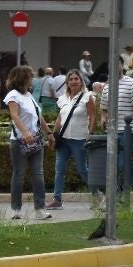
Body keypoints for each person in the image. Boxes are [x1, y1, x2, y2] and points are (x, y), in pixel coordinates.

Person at [3, 65, 55, 221]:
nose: (32, 79)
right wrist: (25, 133)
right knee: (19, 175)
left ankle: (40, 209)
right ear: (23, 78)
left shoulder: (29, 95)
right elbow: (14, 116)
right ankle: (15, 209)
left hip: (36, 141)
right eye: (30, 76)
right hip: (20, 141)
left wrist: (49, 133)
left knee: (38, 175)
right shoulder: (13, 95)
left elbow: (39, 117)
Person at [100, 70, 133, 195]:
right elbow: (103, 110)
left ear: (121, 66)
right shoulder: (107, 87)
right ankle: (117, 197)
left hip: (128, 131)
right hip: (111, 132)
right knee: (114, 165)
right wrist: (103, 119)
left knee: (123, 164)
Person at [48, 68, 96, 209]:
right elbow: (60, 118)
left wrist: (90, 133)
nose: (73, 81)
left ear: (81, 81)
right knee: (59, 169)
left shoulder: (87, 97)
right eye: (71, 79)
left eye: (76, 79)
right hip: (63, 140)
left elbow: (93, 115)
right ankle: (57, 199)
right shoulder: (62, 99)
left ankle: (97, 195)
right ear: (67, 83)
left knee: (82, 169)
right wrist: (53, 135)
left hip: (79, 139)